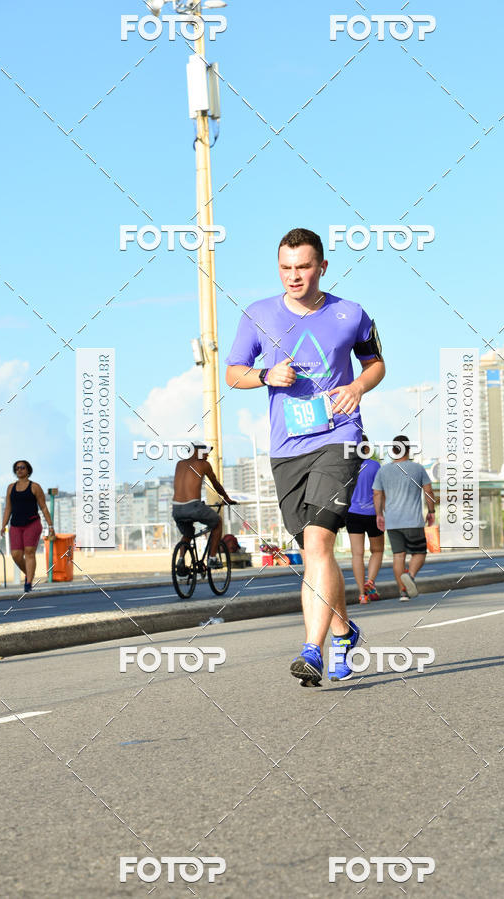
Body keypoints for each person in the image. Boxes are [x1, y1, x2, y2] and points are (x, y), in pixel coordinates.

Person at [225, 227, 385, 685]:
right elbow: (233, 374)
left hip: (340, 436)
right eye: (285, 267)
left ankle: (312, 649)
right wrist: (265, 375)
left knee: (318, 543)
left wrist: (356, 387)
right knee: (314, 554)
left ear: (322, 267)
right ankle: (343, 631)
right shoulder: (258, 314)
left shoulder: (350, 314)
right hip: (287, 447)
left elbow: (375, 363)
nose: (294, 276)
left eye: (303, 267)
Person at [373, 435, 436, 601]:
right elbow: (428, 491)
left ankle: (403, 591)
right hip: (413, 521)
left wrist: (379, 514)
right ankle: (411, 575)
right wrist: (431, 511)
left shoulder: (383, 470)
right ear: (408, 450)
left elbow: (377, 494)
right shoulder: (418, 468)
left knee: (398, 556)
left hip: (393, 521)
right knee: (419, 553)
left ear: (393, 451)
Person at [172, 441, 236, 572]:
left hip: (176, 509)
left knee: (188, 533)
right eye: (205, 451)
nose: (207, 455)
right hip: (193, 507)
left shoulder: (179, 464)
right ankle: (212, 558)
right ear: (195, 451)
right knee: (217, 522)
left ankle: (180, 560)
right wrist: (226, 498)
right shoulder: (203, 464)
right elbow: (215, 484)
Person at [0, 460, 54, 593]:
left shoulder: (35, 487)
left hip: (32, 523)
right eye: (17, 468)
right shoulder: (11, 487)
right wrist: (3, 524)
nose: (19, 470)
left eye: (22, 467)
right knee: (16, 555)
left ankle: (28, 583)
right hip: (16, 525)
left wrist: (50, 526)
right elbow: (8, 508)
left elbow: (43, 507)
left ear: (28, 470)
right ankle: (30, 574)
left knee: (29, 552)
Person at [345, 443, 384, 603]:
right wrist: (380, 513)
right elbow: (378, 492)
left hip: (352, 513)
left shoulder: (347, 467)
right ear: (366, 449)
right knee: (377, 551)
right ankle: (370, 581)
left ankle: (362, 594)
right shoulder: (375, 466)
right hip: (372, 514)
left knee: (357, 554)